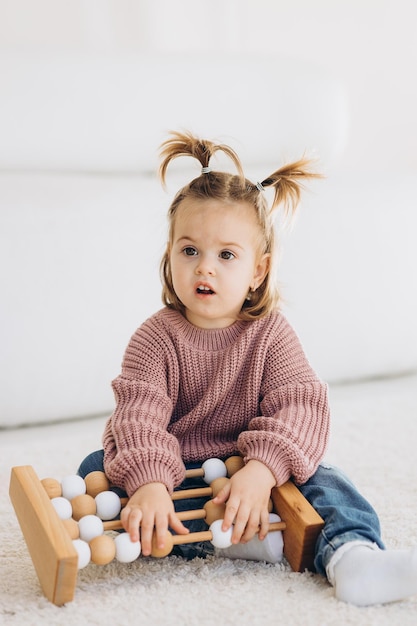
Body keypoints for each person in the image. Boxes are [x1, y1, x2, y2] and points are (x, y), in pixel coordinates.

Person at [78, 131, 417, 606]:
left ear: (258, 270)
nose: (205, 269)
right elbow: (138, 416)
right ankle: (243, 537)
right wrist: (151, 484)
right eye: (190, 250)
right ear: (170, 256)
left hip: (254, 468)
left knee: (326, 478)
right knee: (99, 470)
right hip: (181, 472)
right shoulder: (155, 338)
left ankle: (353, 557)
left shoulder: (270, 334)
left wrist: (261, 471)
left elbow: (300, 407)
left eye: (227, 255)